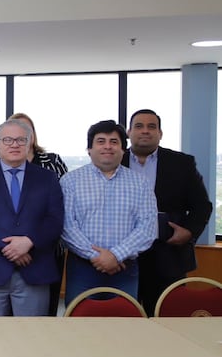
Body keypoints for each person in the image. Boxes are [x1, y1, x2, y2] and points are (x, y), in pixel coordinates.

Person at [0, 119, 64, 316]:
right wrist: (9, 246)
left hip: (34, 267)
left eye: (21, 140)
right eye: (8, 140)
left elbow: (55, 219)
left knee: (31, 338)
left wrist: (29, 241)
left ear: (29, 143)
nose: (14, 145)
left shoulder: (47, 178)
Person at [123, 109, 212, 316]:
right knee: (125, 320)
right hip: (124, 257)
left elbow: (202, 205)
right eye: (139, 126)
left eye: (151, 126)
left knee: (168, 319)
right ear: (129, 132)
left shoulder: (182, 163)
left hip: (169, 256)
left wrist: (189, 232)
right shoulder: (115, 162)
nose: (145, 131)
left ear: (160, 133)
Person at [60, 120, 157, 303]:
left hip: (125, 268)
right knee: (78, 325)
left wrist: (115, 256)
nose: (107, 146)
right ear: (89, 149)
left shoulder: (140, 183)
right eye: (101, 141)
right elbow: (67, 226)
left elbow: (148, 227)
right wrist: (98, 257)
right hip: (82, 268)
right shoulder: (70, 181)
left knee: (125, 325)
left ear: (123, 149)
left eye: (114, 142)